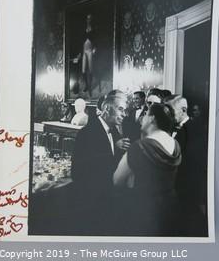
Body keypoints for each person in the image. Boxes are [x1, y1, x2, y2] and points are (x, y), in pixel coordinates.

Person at [113, 103, 181, 236]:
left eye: (145, 114)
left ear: (152, 119)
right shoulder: (175, 144)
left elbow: (117, 181)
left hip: (143, 210)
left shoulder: (139, 147)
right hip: (170, 209)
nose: (142, 118)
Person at [71, 93, 128, 235]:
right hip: (91, 202)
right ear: (107, 109)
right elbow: (78, 171)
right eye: (120, 109)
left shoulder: (115, 131)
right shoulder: (87, 133)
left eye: (125, 110)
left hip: (110, 200)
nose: (124, 114)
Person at [165, 95, 208, 236]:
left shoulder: (196, 131)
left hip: (187, 192)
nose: (166, 115)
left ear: (183, 110)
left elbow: (193, 165)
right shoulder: (171, 128)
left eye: (170, 111)